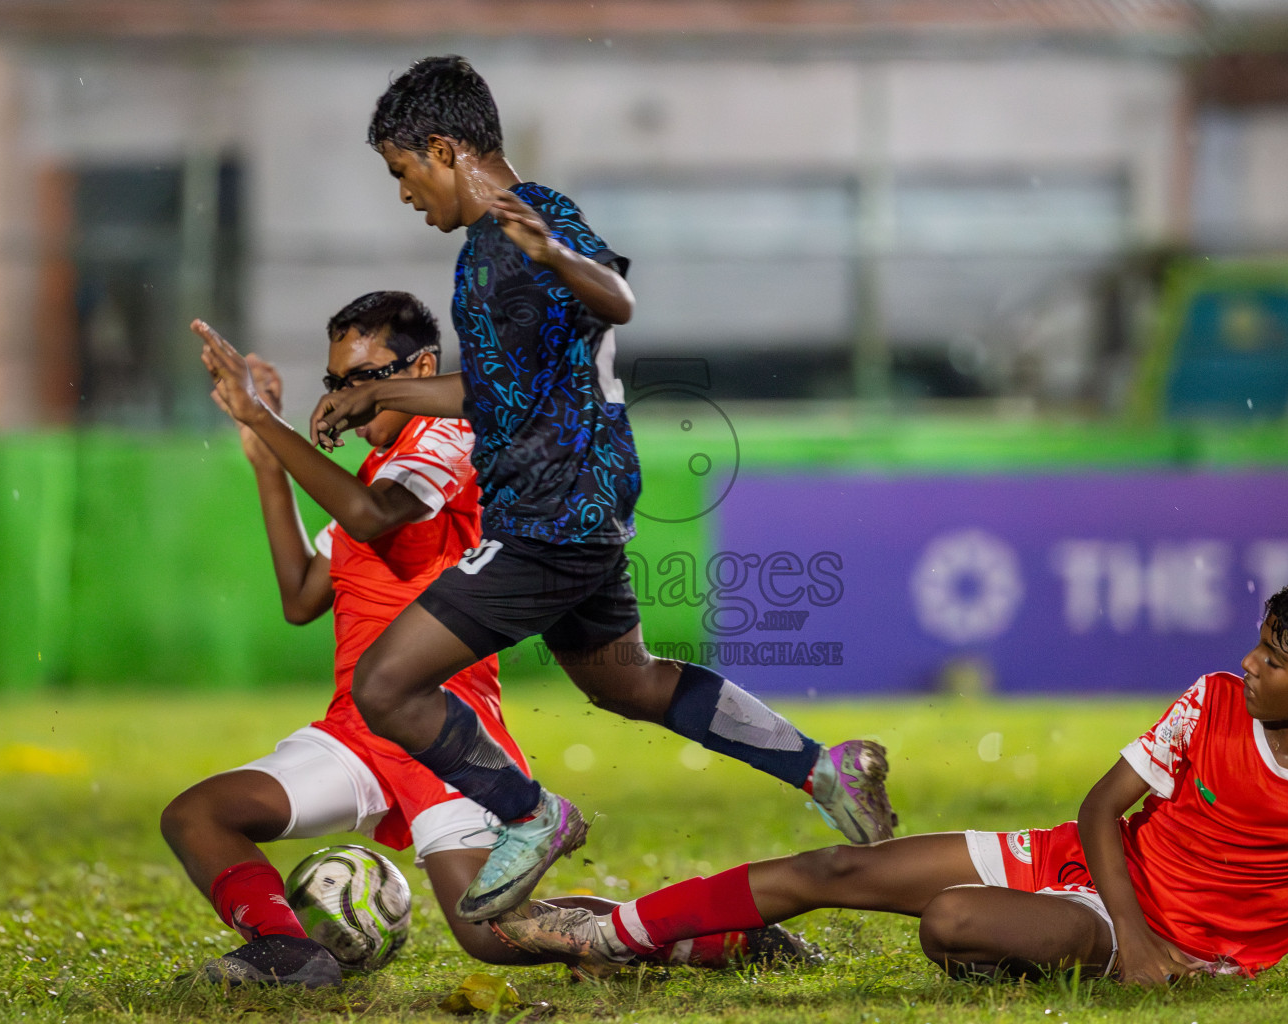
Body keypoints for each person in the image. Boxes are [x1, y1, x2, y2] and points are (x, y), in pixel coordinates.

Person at [304, 55, 896, 924]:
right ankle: (822, 769)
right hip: (577, 508)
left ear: (440, 147)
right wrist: (380, 392)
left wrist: (557, 255)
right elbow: (500, 394)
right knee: (628, 683)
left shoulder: (530, 219)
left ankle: (528, 815)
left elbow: (616, 299)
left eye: (402, 174)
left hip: (550, 516)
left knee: (387, 685)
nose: (403, 195)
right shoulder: (491, 245)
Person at [170, 292, 790, 987]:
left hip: (440, 727)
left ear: (422, 367)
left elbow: (374, 517)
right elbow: (301, 598)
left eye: (362, 378)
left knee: (494, 935)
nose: (345, 399)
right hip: (359, 731)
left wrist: (264, 417)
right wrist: (266, 458)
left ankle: (722, 933)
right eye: (335, 382)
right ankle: (289, 952)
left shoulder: (449, 441)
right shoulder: (371, 472)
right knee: (200, 814)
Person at [494, 576, 1288, 985]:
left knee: (954, 922)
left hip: (1156, 930)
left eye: (1276, 659)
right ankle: (611, 933)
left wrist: (1152, 951)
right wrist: (1124, 942)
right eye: (1257, 642)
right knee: (833, 871)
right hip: (1077, 866)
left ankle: (1011, 950)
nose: (1251, 663)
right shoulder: (1213, 700)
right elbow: (1100, 810)